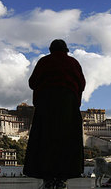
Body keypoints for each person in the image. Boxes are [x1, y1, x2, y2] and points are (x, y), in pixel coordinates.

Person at [23, 39, 86, 189]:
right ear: (66, 50)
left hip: (46, 104)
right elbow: (82, 84)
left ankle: (48, 178)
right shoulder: (73, 62)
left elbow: (32, 83)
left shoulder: (44, 61)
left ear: (51, 49)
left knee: (46, 139)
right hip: (68, 105)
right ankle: (63, 178)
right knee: (67, 141)